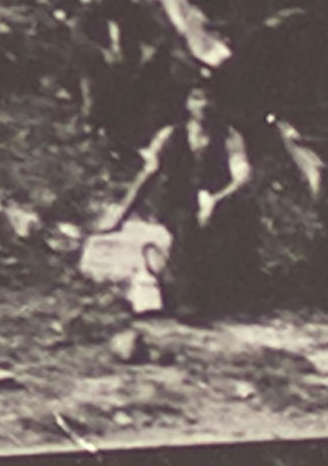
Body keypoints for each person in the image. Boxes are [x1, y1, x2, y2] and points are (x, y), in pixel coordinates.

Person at [99, 78, 255, 319]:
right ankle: (186, 301)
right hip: (176, 202)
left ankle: (237, 291)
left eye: (209, 98)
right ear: (187, 104)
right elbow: (147, 176)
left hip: (214, 201)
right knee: (186, 224)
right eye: (197, 98)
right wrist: (121, 216)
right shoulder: (170, 135)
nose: (203, 105)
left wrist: (216, 200)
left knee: (241, 218)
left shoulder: (229, 137)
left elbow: (242, 176)